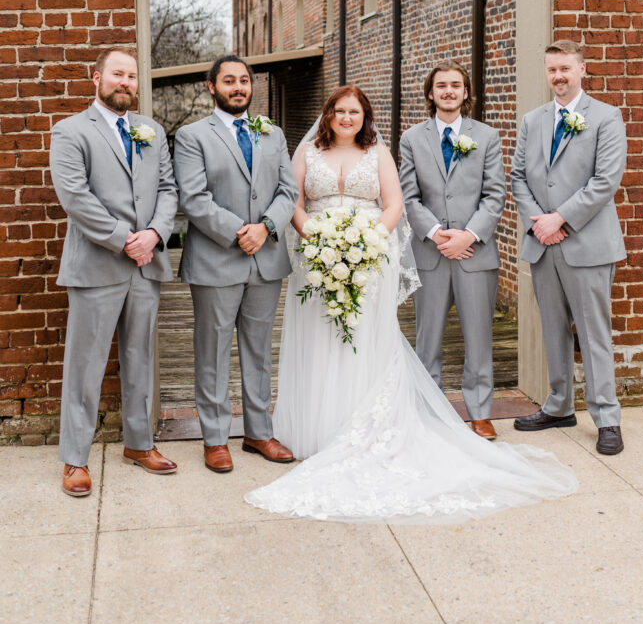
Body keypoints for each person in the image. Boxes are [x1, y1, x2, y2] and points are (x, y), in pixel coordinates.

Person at [245, 85, 577, 523]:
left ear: (365, 117)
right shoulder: (305, 153)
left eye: (355, 112)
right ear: (327, 115)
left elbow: (395, 202)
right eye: (340, 111)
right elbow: (295, 203)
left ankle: (367, 427)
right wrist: (319, 239)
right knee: (319, 336)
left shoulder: (378, 153)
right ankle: (319, 428)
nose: (347, 118)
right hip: (318, 258)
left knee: (365, 339)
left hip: (368, 257)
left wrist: (368, 242)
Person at [50, 48, 179, 497]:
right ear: (96, 78)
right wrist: (126, 237)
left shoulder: (152, 131)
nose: (125, 82)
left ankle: (139, 444)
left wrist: (156, 234)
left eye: (132, 76)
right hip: (98, 263)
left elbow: (168, 188)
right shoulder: (69, 132)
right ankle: (75, 459)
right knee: (84, 364)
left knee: (140, 358)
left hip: (146, 265)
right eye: (117, 74)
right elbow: (75, 195)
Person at [173, 55, 298, 473]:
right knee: (212, 350)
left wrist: (264, 227)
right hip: (216, 259)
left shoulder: (273, 133)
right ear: (212, 87)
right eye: (229, 81)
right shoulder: (193, 136)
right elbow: (193, 197)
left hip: (266, 259)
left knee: (259, 351)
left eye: (244, 80)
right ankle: (214, 437)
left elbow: (287, 190)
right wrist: (238, 231)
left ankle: (258, 432)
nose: (238, 87)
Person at [511, 40, 627, 455]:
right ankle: (559, 405)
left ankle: (607, 417)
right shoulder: (533, 120)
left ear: (582, 69)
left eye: (565, 68)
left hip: (588, 244)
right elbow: (518, 177)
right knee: (553, 330)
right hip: (544, 243)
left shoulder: (607, 117)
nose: (558, 76)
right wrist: (539, 222)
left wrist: (560, 218)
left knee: (594, 333)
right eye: (552, 70)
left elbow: (605, 180)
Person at [399, 62, 505, 440]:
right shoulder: (412, 138)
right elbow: (408, 197)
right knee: (428, 336)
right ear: (430, 93)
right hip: (430, 253)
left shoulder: (487, 137)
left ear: (465, 93)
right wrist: (438, 234)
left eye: (455, 85)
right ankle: (430, 409)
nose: (448, 91)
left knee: (479, 336)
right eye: (441, 85)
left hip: (475, 254)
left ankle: (480, 412)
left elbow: (495, 196)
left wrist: (468, 236)